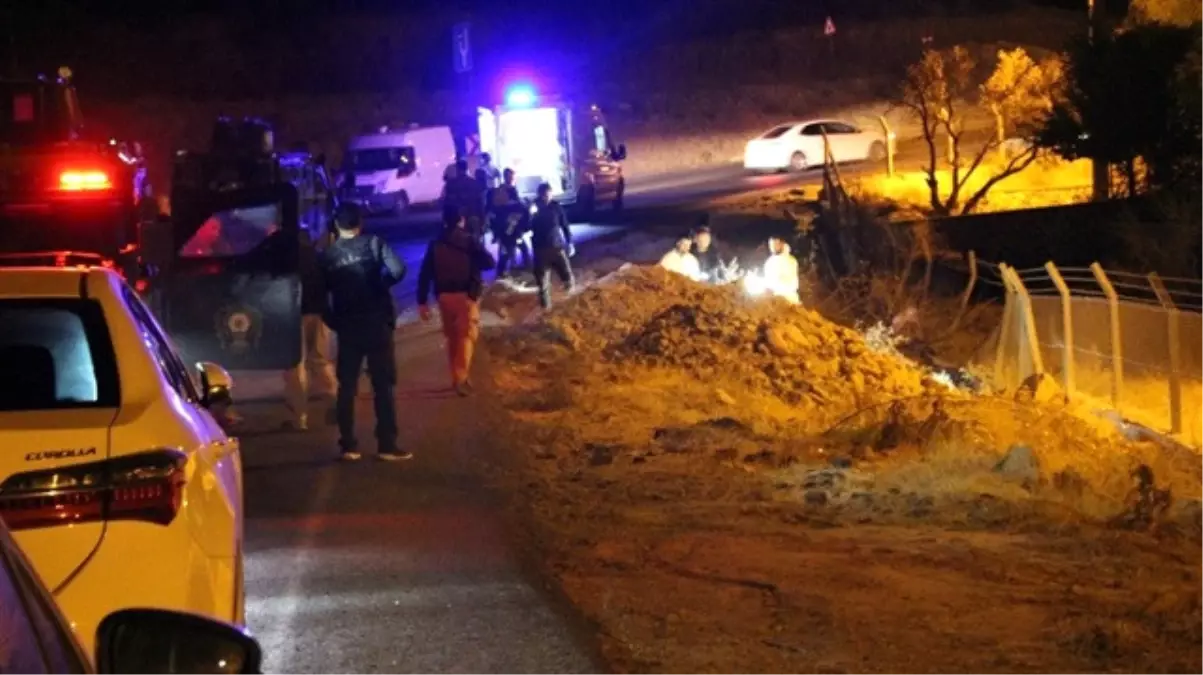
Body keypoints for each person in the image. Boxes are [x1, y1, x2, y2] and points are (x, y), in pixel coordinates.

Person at [320, 202, 409, 461]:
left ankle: (348, 445)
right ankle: (387, 445)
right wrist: (381, 286)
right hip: (377, 324)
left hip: (348, 327)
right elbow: (399, 269)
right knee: (383, 385)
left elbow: (319, 294)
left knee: (347, 386)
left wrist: (333, 320)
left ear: (337, 226)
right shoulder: (374, 244)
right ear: (360, 223)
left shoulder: (328, 256)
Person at [417, 207, 497, 396]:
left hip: (443, 297)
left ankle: (458, 376)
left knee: (453, 338)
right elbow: (489, 263)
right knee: (466, 337)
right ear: (461, 220)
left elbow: (425, 273)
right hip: (466, 296)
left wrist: (422, 302)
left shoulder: (435, 244)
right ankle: (461, 378)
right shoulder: (469, 240)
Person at [282, 230, 337, 431]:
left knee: (296, 365)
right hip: (320, 314)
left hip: (293, 315)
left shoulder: (286, 259)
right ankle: (335, 402)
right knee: (321, 361)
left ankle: (299, 418)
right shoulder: (319, 258)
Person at [527, 182, 575, 309]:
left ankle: (568, 304)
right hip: (540, 250)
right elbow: (526, 226)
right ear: (540, 195)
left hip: (556, 247)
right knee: (542, 284)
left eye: (548, 195)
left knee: (568, 277)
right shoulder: (533, 207)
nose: (546, 198)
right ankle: (546, 310)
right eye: (544, 195)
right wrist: (530, 216)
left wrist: (569, 242)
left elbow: (564, 225)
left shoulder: (556, 207)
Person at [488, 168, 531, 277]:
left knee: (516, 247)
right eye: (511, 177)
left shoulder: (511, 189)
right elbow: (499, 208)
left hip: (512, 224)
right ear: (507, 177)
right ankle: (503, 271)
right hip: (507, 225)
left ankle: (507, 270)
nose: (513, 179)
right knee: (507, 248)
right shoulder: (502, 191)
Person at [441, 159, 486, 240]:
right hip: (472, 214)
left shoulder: (451, 184)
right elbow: (479, 202)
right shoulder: (473, 183)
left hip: (455, 216)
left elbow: (447, 202)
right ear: (466, 169)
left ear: (457, 169)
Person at [764, 236, 801, 304]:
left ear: (782, 243)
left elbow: (790, 281)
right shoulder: (769, 262)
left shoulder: (791, 261)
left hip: (789, 300)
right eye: (771, 244)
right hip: (773, 301)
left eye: (775, 243)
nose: (772, 247)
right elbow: (768, 282)